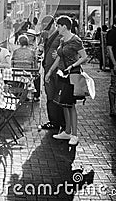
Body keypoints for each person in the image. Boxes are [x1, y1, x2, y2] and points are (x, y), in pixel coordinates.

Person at [45, 15, 88, 146]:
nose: (57, 28)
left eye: (58, 26)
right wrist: (50, 71)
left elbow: (84, 57)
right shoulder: (63, 40)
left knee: (71, 105)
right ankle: (67, 131)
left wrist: (73, 65)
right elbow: (58, 58)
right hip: (62, 74)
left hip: (72, 74)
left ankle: (74, 134)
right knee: (64, 103)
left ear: (64, 26)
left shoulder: (76, 40)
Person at [40, 16, 65, 131]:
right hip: (48, 68)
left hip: (56, 70)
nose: (47, 29)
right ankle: (54, 121)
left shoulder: (60, 36)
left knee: (57, 96)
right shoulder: (47, 35)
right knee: (50, 95)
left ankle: (58, 122)